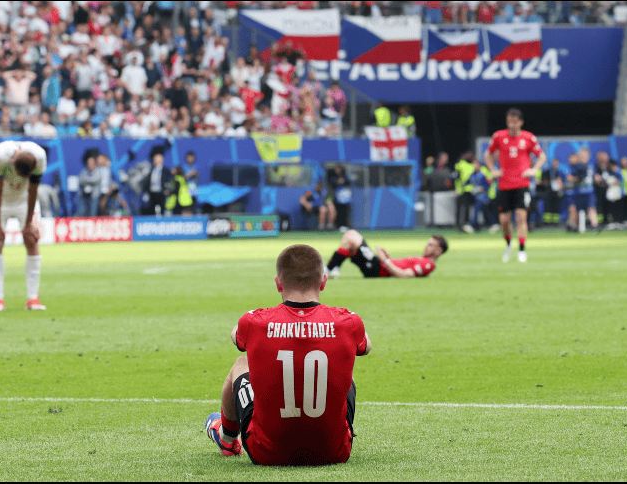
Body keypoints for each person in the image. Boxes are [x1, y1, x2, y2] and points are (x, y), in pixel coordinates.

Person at [204, 244, 372, 466]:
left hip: (266, 452)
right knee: (342, 368)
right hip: (334, 452)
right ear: (323, 282)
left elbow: (237, 337)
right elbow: (365, 346)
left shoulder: (253, 321)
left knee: (241, 363)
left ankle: (227, 439)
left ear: (278, 284)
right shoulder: (349, 322)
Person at [0, 140, 47, 311]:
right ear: (12, 163)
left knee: (32, 240)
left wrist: (28, 224)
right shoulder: (0, 155)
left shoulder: (40, 157)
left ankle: (33, 298)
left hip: (24, 198)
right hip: (0, 198)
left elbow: (33, 190)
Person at [483, 108, 546, 263]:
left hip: (522, 184)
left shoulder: (529, 138)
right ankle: (508, 245)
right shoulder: (499, 136)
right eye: (509, 122)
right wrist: (493, 170)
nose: (512, 125)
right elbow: (487, 154)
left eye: (515, 122)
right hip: (504, 185)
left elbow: (542, 156)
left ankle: (522, 250)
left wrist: (534, 170)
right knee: (504, 220)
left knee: (521, 217)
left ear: (521, 122)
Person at [325, 230, 447, 279]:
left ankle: (330, 269)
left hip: (377, 269)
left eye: (431, 245)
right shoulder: (423, 260)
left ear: (439, 251)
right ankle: (333, 268)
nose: (426, 246)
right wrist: (387, 259)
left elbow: (404, 275)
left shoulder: (427, 264)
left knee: (351, 237)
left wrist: (385, 260)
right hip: (378, 265)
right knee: (350, 241)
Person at [566, 150, 599, 232]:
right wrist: (576, 178)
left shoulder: (591, 166)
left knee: (591, 208)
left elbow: (595, 176)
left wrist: (597, 178)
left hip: (589, 191)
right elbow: (571, 177)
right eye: (581, 155)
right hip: (577, 192)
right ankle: (573, 226)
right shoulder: (575, 166)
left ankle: (595, 226)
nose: (583, 157)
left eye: (585, 155)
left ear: (589, 156)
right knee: (574, 210)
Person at [463, 159, 497, 233]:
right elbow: (465, 183)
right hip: (476, 196)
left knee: (476, 209)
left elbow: (487, 184)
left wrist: (480, 188)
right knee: (486, 210)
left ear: (479, 165)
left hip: (483, 196)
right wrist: (470, 188)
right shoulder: (472, 175)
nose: (474, 166)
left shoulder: (482, 174)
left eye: (476, 164)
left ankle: (472, 225)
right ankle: (494, 224)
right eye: (473, 164)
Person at [141, 150, 172, 216]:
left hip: (161, 193)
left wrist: (167, 190)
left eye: (157, 159)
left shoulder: (166, 170)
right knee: (151, 209)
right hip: (152, 193)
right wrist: (146, 191)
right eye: (154, 159)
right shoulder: (150, 170)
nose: (155, 161)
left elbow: (169, 181)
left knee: (162, 209)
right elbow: (146, 181)